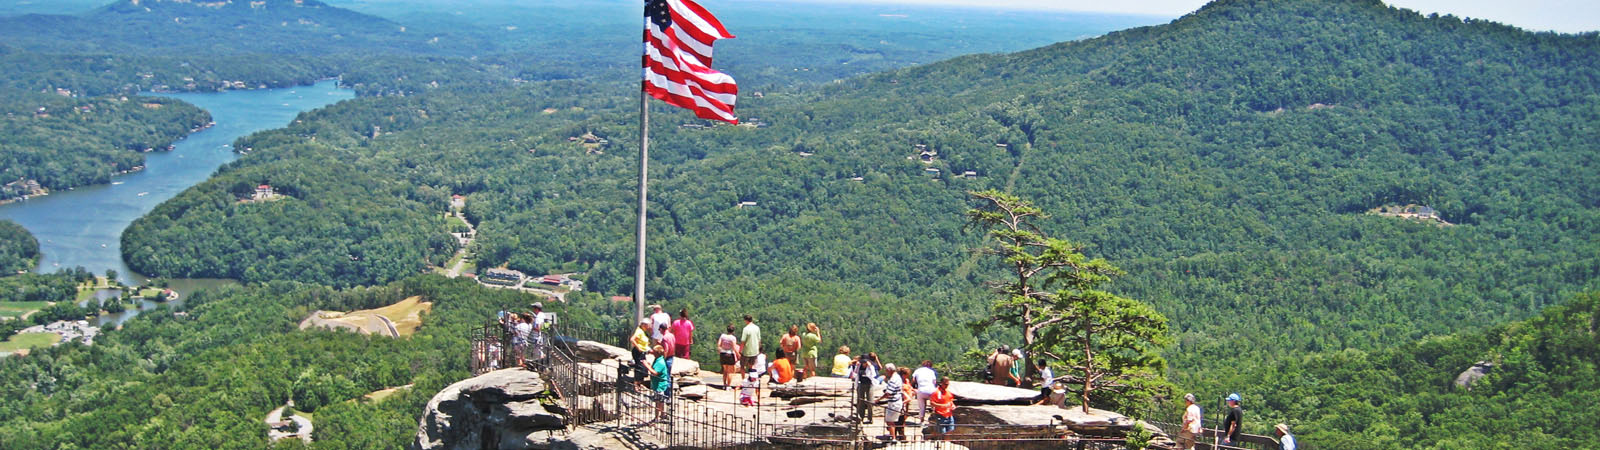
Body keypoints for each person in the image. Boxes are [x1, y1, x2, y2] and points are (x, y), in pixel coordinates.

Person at [849, 353, 881, 423]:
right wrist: (857, 366)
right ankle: (861, 416)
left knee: (870, 401)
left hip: (870, 384)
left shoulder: (871, 365)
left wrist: (870, 367)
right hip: (861, 383)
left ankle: (870, 417)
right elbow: (855, 374)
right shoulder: (859, 366)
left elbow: (874, 374)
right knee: (861, 401)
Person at [877, 364, 906, 441]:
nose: (886, 372)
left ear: (889, 370)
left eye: (886, 370)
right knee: (891, 421)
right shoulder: (897, 377)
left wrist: (878, 399)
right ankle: (893, 437)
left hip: (894, 403)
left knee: (890, 421)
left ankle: (893, 438)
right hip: (896, 401)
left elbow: (888, 393)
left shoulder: (893, 379)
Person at [646, 344, 671, 422]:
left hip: (659, 385)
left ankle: (657, 417)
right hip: (658, 384)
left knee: (658, 401)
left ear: (656, 353)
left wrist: (647, 366)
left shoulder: (660, 362)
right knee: (661, 400)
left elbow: (655, 372)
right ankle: (663, 415)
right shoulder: (658, 359)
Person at [630, 320, 652, 384]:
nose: (648, 327)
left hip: (642, 351)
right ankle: (636, 383)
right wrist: (638, 347)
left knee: (643, 367)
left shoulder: (643, 331)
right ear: (644, 325)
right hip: (638, 352)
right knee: (640, 367)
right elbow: (632, 339)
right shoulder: (639, 331)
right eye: (648, 325)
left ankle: (640, 382)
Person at [718, 325, 739, 389]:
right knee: (730, 371)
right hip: (730, 354)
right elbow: (734, 347)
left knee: (725, 370)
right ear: (733, 331)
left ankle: (724, 384)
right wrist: (738, 354)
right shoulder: (733, 338)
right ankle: (728, 385)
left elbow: (719, 344)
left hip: (723, 354)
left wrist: (720, 350)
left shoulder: (722, 336)